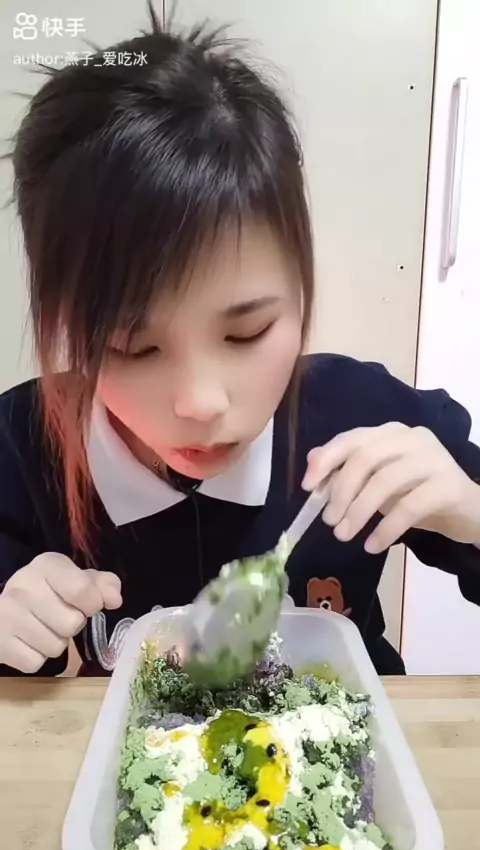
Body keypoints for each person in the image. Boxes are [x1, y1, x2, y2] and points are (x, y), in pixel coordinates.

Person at [0, 4, 479, 679]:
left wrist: (469, 511)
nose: (202, 402)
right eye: (133, 348)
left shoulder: (361, 414)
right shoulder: (18, 452)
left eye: (246, 332)